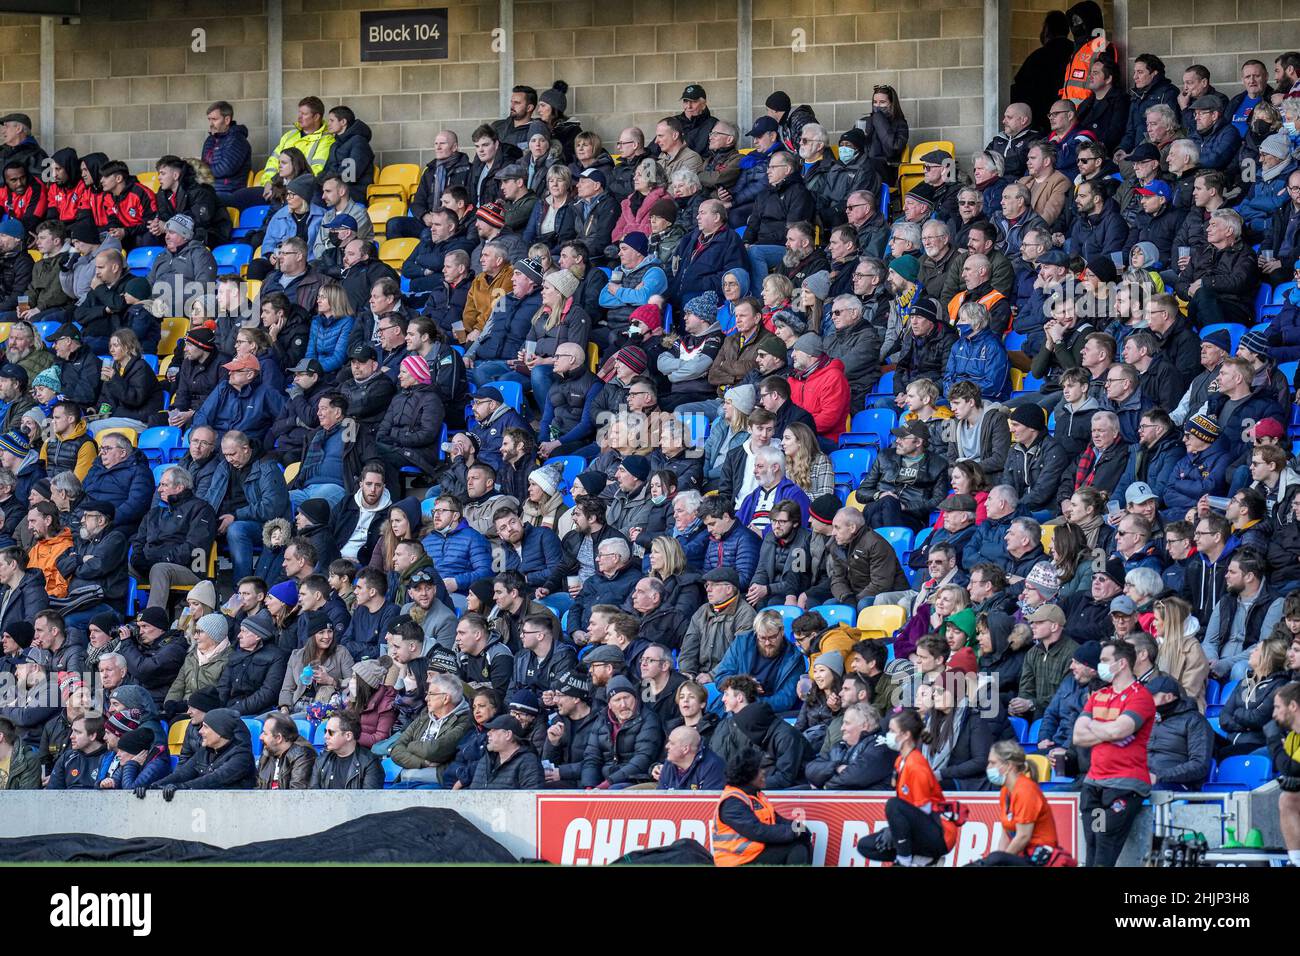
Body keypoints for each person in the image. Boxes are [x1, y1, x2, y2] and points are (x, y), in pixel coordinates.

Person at [1073, 639, 1157, 866]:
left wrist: (1100, 728)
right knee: (1092, 843)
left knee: (1104, 845)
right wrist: (1109, 732)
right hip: (1094, 784)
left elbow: (1121, 729)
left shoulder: (1140, 696)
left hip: (1124, 785)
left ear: (1121, 664)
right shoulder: (1098, 695)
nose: (1099, 665)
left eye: (1104, 660)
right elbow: (1078, 736)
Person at [856, 708, 960, 866]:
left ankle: (904, 861)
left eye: (892, 730)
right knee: (866, 846)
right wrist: (894, 831)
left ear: (905, 735)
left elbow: (924, 811)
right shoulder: (900, 761)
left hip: (940, 833)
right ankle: (919, 859)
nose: (888, 734)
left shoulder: (917, 765)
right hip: (919, 828)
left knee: (894, 805)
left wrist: (896, 831)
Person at [710, 745, 812, 866]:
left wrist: (799, 827)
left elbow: (777, 820)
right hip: (736, 860)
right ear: (748, 774)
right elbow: (757, 831)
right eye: (760, 769)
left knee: (801, 840)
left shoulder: (756, 795)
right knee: (796, 848)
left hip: (753, 854)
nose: (764, 772)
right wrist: (794, 832)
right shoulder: (732, 802)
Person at [134, 707, 256, 796]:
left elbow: (215, 779)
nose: (200, 731)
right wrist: (153, 787)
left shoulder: (242, 756)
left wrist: (181, 787)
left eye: (206, 727)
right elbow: (182, 774)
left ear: (220, 732)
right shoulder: (206, 751)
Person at [311, 711, 383, 789]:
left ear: (348, 736)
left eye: (331, 732)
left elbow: (369, 799)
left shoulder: (370, 763)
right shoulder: (321, 760)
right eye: (325, 731)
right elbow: (313, 795)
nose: (325, 736)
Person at [470, 714, 544, 789]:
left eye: (493, 730)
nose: (488, 733)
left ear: (508, 735)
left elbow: (531, 797)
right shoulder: (485, 760)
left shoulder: (528, 762)